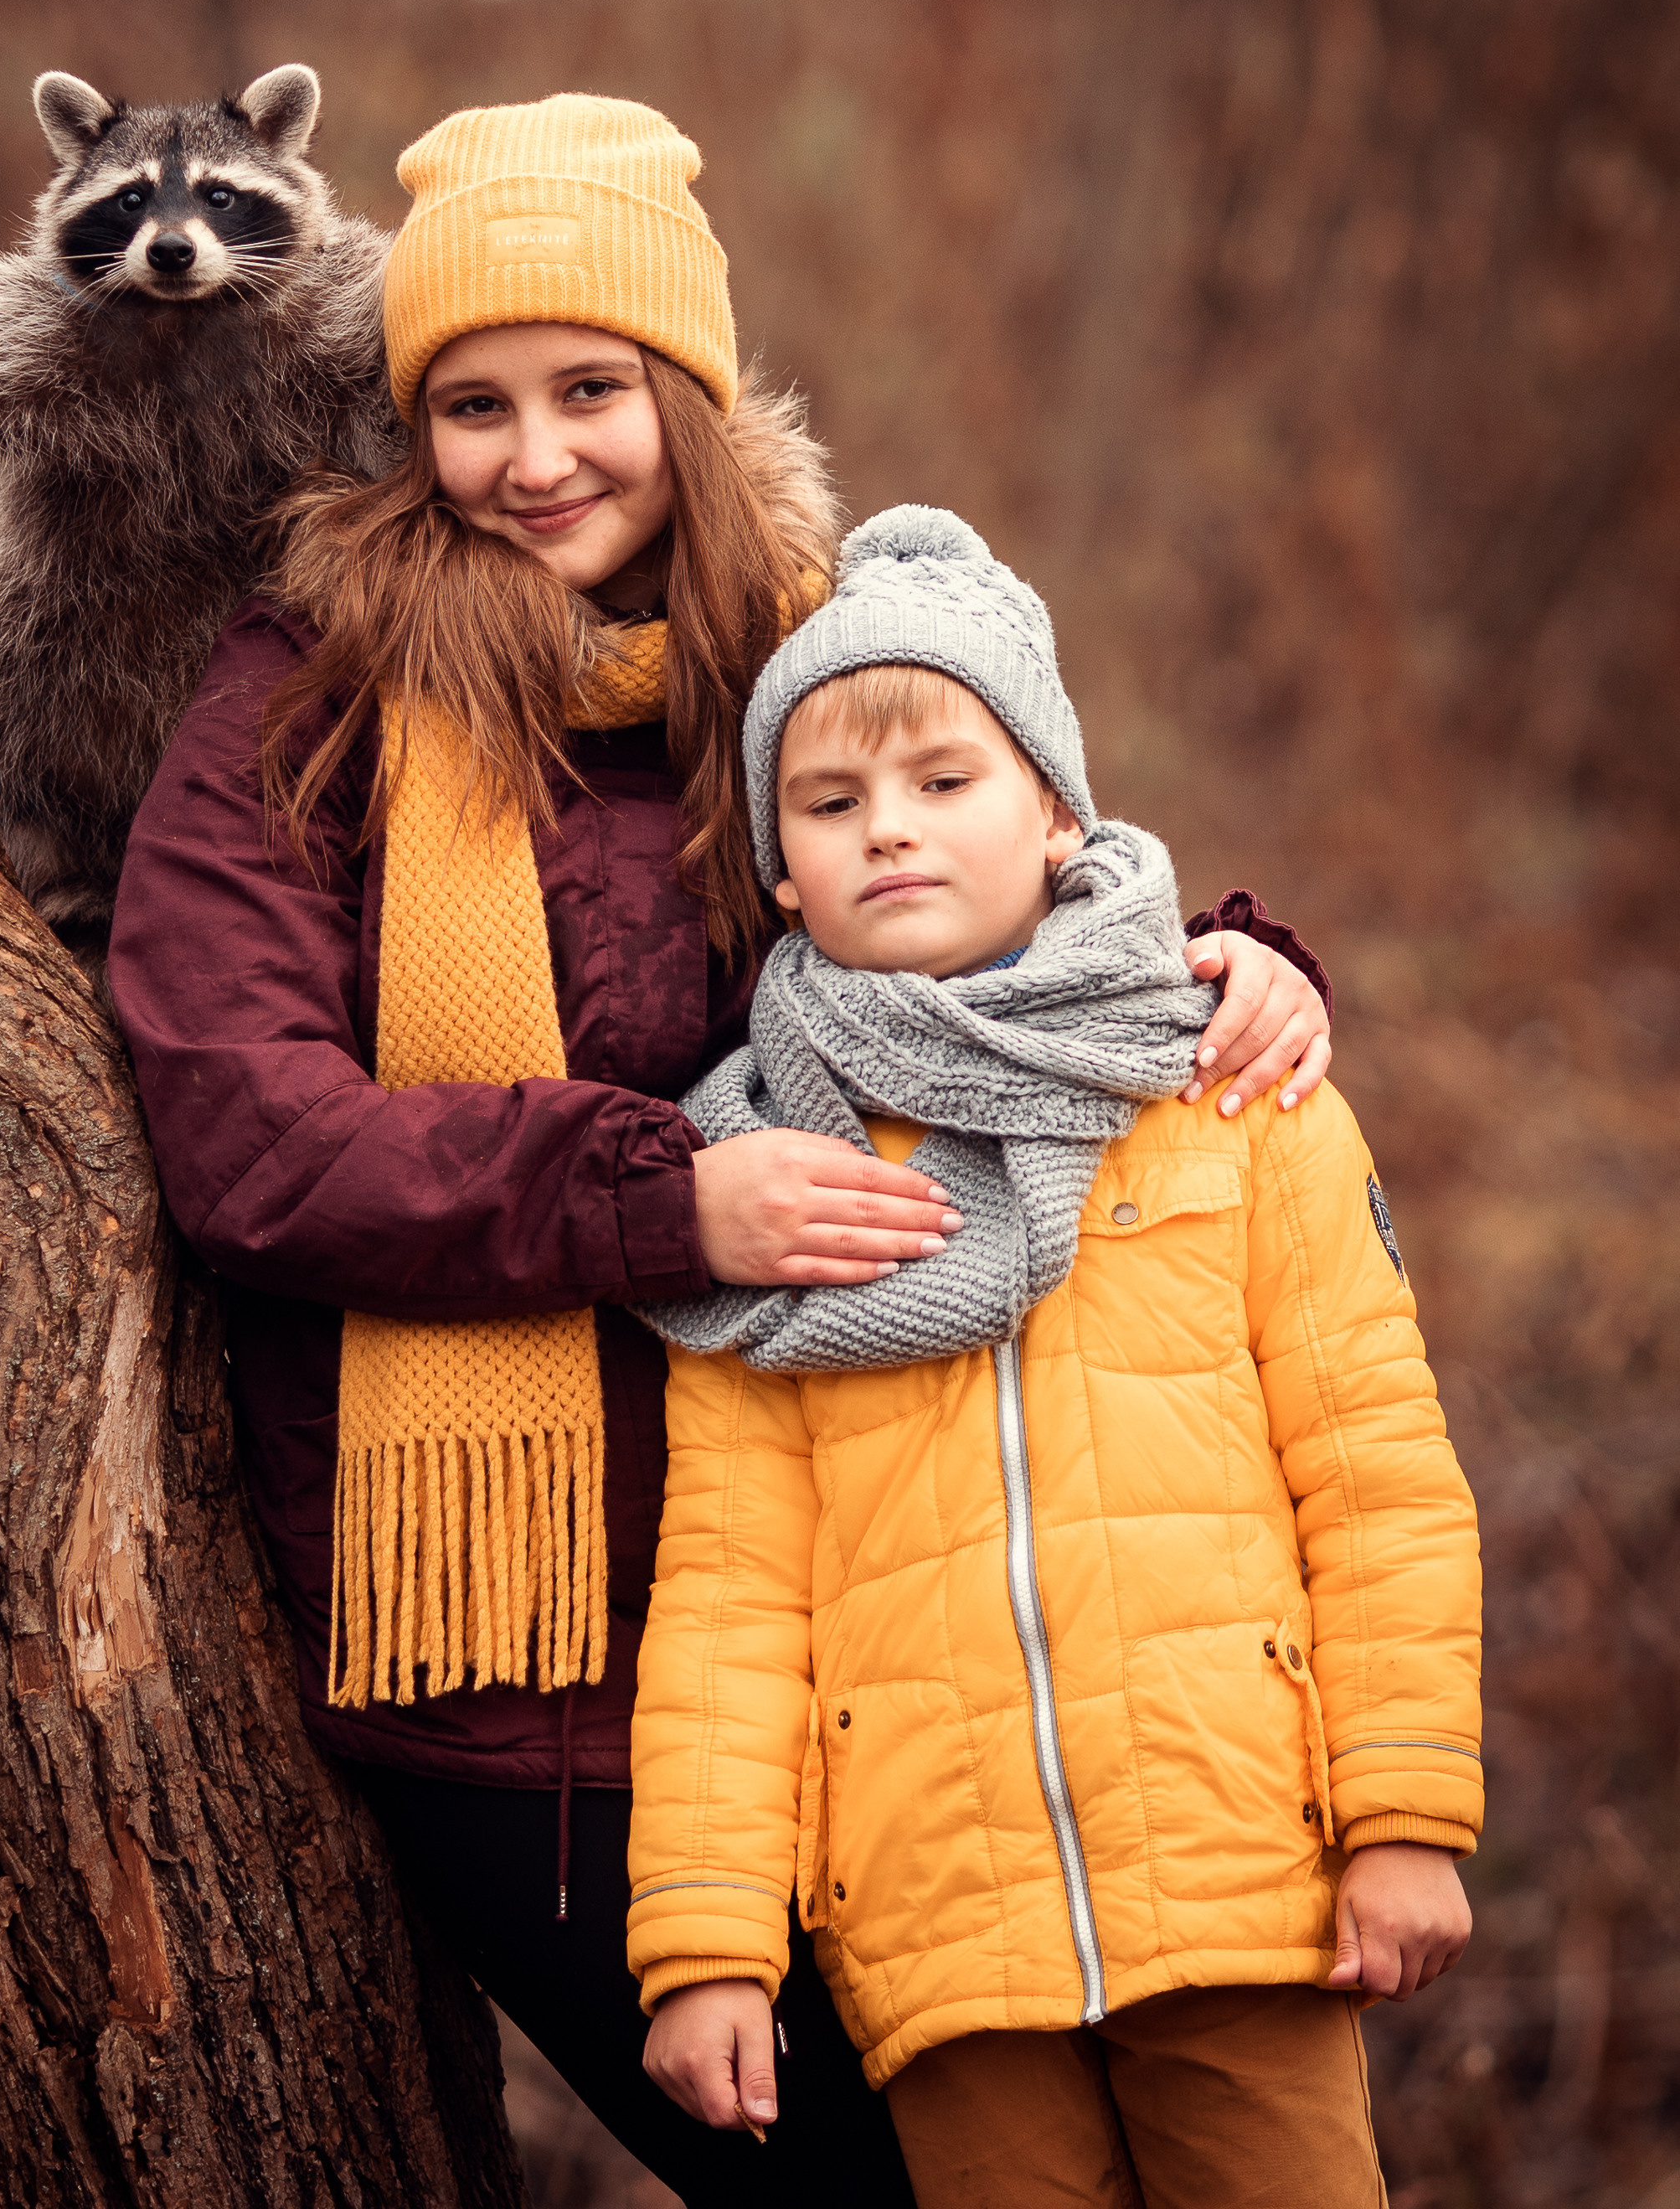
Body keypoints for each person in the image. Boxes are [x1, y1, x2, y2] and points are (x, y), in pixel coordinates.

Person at [107, 96, 1337, 2203]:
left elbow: (993, 884)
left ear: (680, 392)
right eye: (471, 405)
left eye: (591, 388)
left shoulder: (806, 654)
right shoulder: (298, 698)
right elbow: (245, 1133)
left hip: (874, 1590)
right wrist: (656, 1198)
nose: (535, 456)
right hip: (525, 1664)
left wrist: (1227, 964)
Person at [626, 505, 1482, 2208]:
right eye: (831, 802)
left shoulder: (1226, 1097)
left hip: (1247, 1874)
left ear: (1058, 814)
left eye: (944, 781)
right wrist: (706, 1940)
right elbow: (729, 1598)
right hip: (939, 1926)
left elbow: (1374, 1477)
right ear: (779, 868)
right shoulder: (779, 1189)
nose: (888, 831)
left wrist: (1400, 1816)